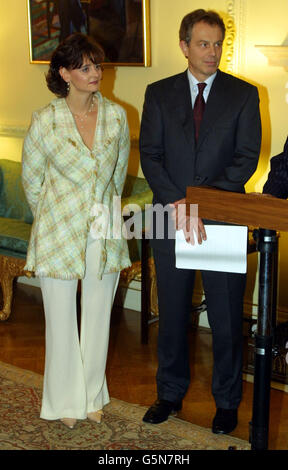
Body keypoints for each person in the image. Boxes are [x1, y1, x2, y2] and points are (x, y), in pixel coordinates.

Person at [139, 9, 261, 434]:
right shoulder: (158, 93)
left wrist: (202, 202)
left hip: (222, 218)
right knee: (171, 314)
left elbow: (246, 158)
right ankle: (169, 394)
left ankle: (226, 402)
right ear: (184, 45)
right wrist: (178, 200)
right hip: (169, 217)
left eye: (217, 44)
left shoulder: (244, 95)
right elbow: (149, 154)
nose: (212, 52)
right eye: (203, 44)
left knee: (226, 319)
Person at [22, 33, 131, 429]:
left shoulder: (118, 116)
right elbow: (32, 182)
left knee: (100, 313)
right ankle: (63, 400)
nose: (95, 73)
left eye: (97, 66)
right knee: (61, 317)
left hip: (102, 227)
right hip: (57, 230)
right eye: (85, 67)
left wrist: (102, 215)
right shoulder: (44, 120)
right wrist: (59, 215)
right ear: (65, 73)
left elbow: (117, 176)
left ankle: (90, 394)